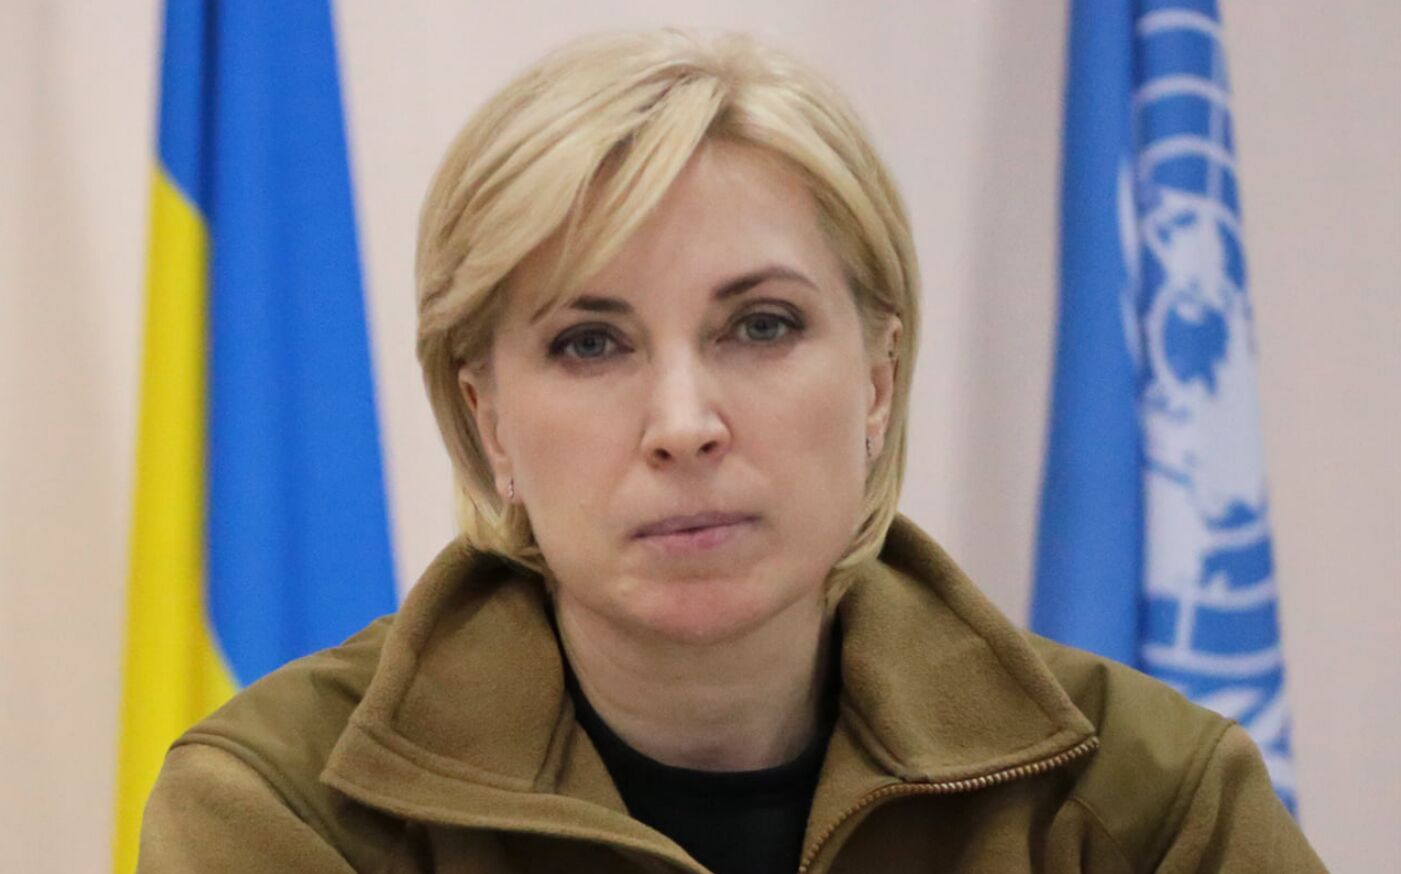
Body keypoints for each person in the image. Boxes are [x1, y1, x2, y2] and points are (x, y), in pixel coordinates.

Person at [137, 29, 1325, 873]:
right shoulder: (288, 804)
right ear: (489, 420)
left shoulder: (1148, 801)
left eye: (761, 326)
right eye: (591, 343)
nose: (683, 421)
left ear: (878, 380)